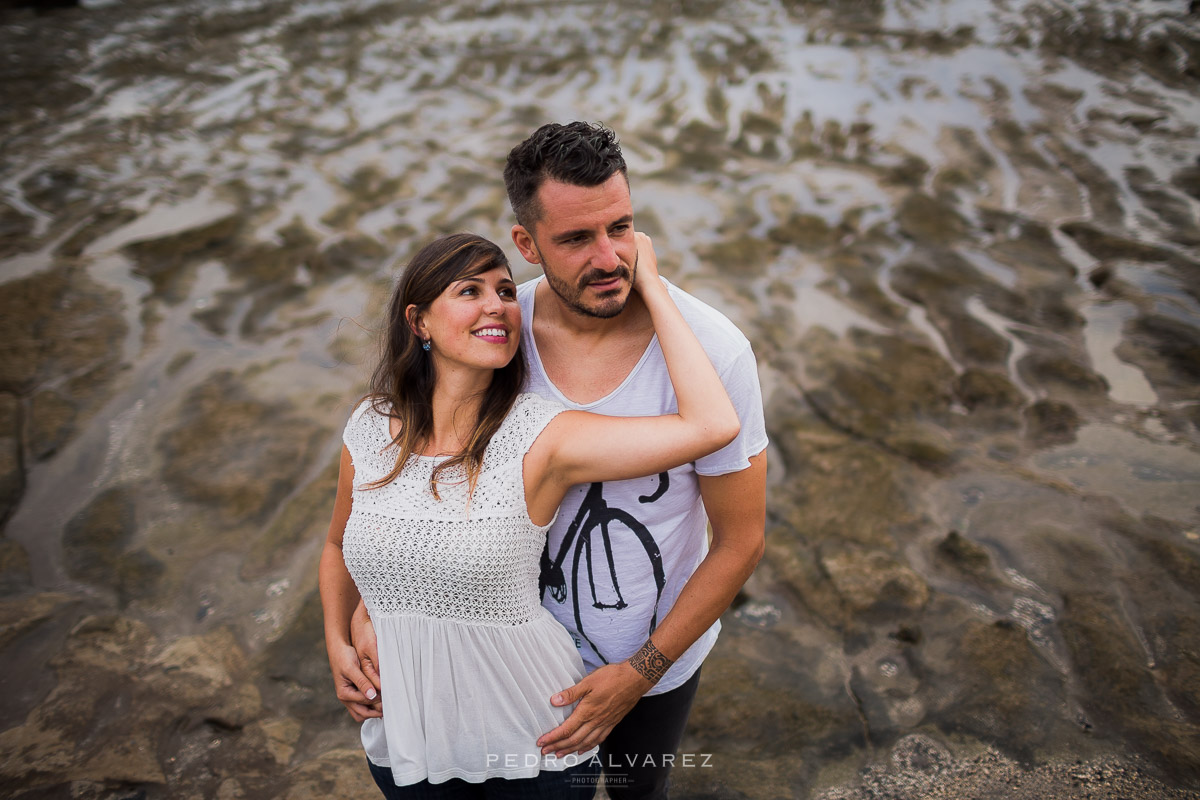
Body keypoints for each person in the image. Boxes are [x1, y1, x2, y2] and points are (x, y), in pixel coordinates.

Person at [348, 122, 769, 799]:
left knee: (639, 793)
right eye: (576, 239)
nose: (608, 258)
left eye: (622, 227)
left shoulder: (713, 354)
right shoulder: (497, 334)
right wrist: (375, 610)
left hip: (653, 664)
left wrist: (640, 672)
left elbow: (742, 540)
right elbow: (422, 481)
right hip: (509, 663)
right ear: (527, 243)